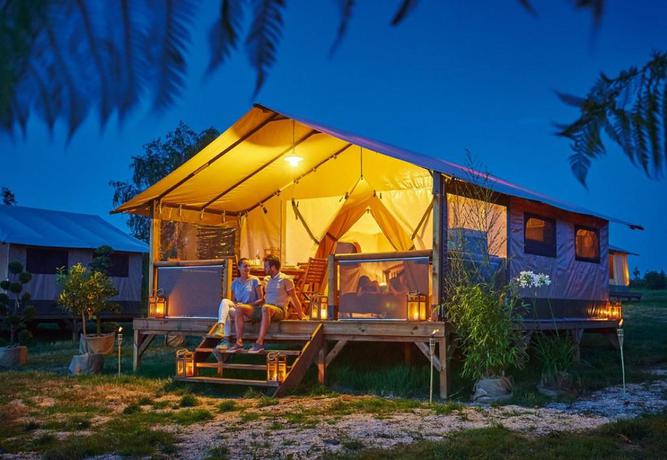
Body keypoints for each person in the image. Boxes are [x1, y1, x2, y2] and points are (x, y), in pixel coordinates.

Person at [228, 255, 306, 353]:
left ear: (272, 267)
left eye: (265, 266)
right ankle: (239, 342)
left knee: (266, 307)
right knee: (239, 308)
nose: (263, 268)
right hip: (265, 309)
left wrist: (301, 315)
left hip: (279, 310)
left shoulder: (286, 279)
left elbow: (294, 298)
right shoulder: (266, 279)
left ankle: (259, 343)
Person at [213, 257, 263, 350]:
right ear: (239, 268)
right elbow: (233, 300)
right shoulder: (235, 282)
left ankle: (226, 339)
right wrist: (237, 304)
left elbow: (261, 299)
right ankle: (221, 328)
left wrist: (246, 306)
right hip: (238, 311)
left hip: (250, 311)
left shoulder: (255, 280)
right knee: (225, 302)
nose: (247, 268)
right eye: (245, 266)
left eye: (249, 266)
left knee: (228, 310)